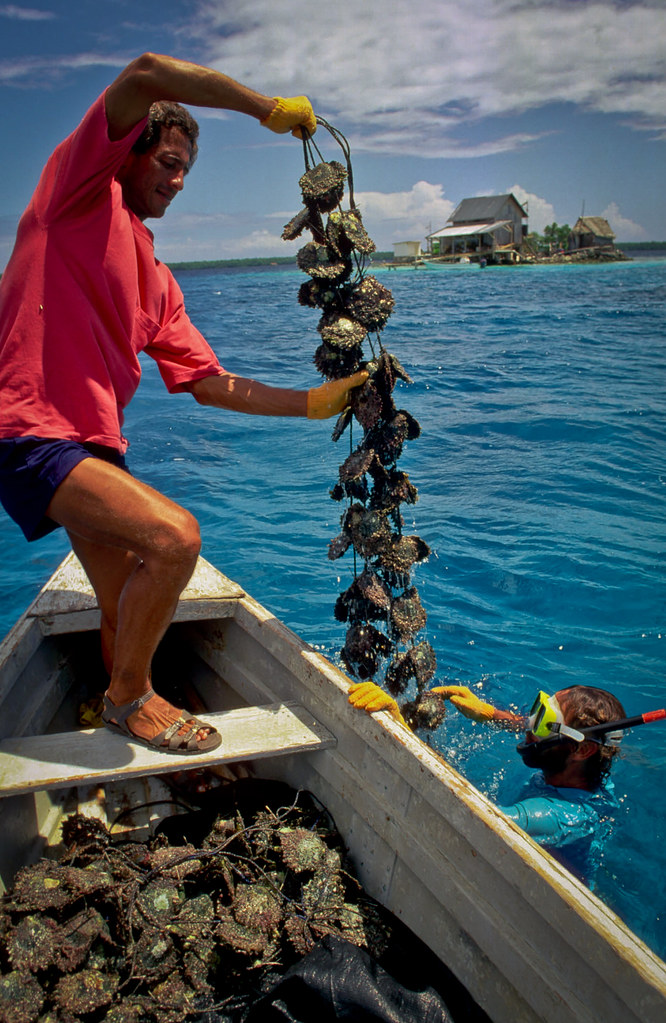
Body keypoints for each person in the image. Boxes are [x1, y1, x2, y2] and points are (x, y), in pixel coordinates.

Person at [0, 52, 367, 756]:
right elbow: (143, 75)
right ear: (127, 155)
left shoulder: (158, 278)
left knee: (122, 605)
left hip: (89, 446)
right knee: (174, 539)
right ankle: (131, 698)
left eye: (185, 171)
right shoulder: (76, 193)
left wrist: (316, 403)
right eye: (165, 162)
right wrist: (265, 107)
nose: (174, 181)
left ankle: (119, 707)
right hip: (27, 428)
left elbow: (210, 382)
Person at [349, 680, 626, 887]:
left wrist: (400, 734)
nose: (529, 725)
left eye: (543, 720)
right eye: (536, 710)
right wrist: (488, 712)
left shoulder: (554, 817)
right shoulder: (581, 774)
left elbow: (465, 820)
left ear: (582, 750)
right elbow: (538, 729)